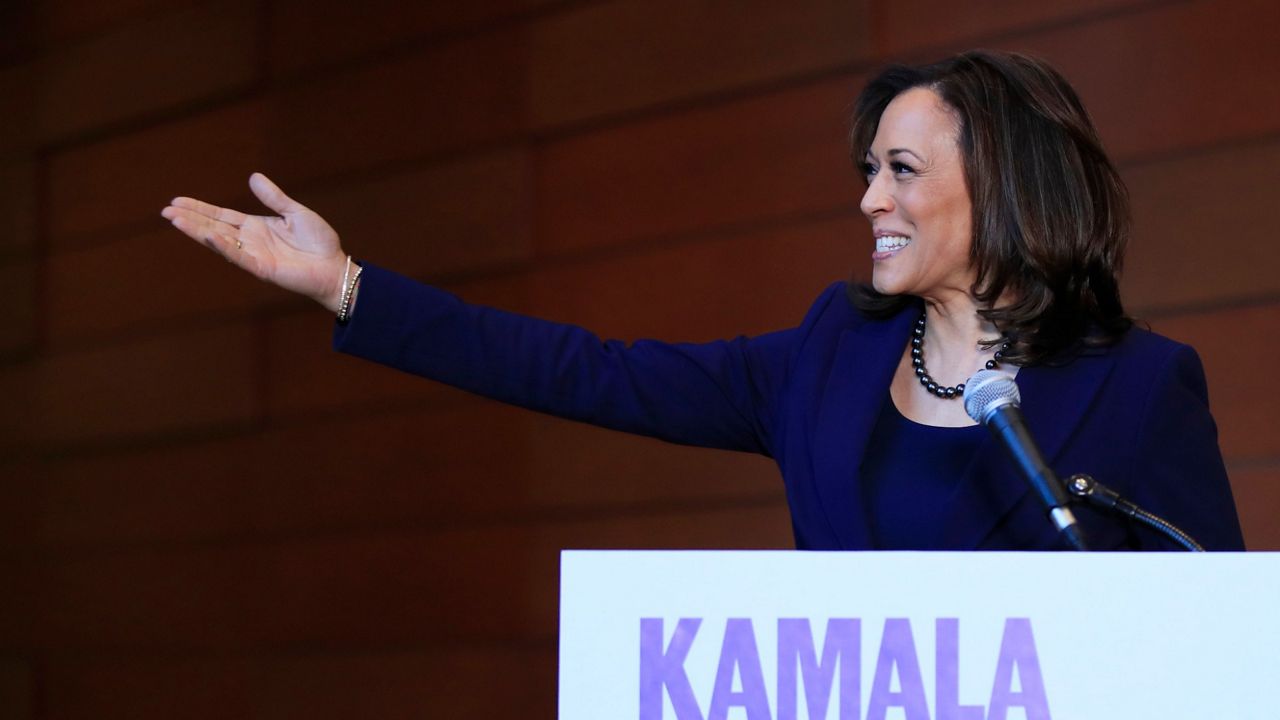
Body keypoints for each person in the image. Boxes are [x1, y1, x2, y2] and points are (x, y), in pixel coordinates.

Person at [162, 50, 1245, 551]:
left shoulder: (1140, 388)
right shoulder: (825, 357)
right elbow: (588, 370)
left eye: (901, 170)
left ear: (999, 181)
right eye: (865, 167)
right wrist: (348, 286)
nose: (867, 198)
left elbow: (1214, 656)